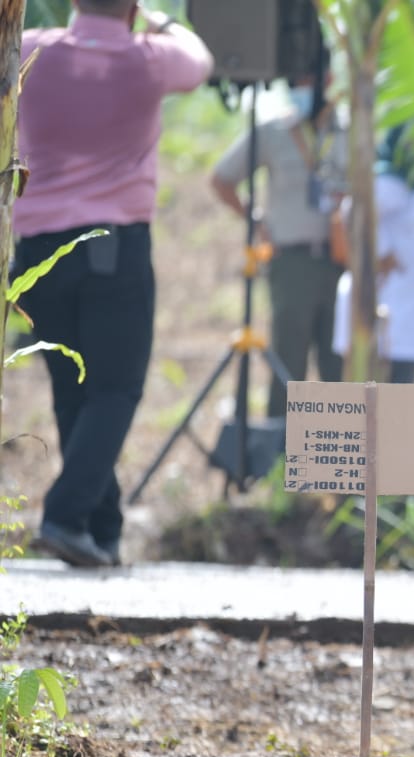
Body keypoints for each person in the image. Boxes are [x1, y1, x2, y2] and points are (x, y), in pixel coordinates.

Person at [17, 1, 214, 568]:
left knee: (73, 388)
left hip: (37, 255)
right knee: (117, 389)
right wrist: (159, 19)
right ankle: (65, 515)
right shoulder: (147, 59)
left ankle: (100, 530)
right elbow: (200, 61)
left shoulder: (33, 48)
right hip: (111, 247)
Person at [210, 71, 348, 419]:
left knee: (339, 367)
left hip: (341, 261)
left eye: (309, 80)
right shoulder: (273, 132)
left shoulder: (349, 134)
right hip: (292, 263)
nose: (303, 88)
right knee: (289, 360)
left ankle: (339, 458)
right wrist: (255, 221)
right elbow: (222, 179)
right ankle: (282, 454)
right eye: (297, 81)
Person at [331, 127, 414, 384]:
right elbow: (355, 213)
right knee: (386, 392)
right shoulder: (389, 181)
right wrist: (381, 253)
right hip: (393, 306)